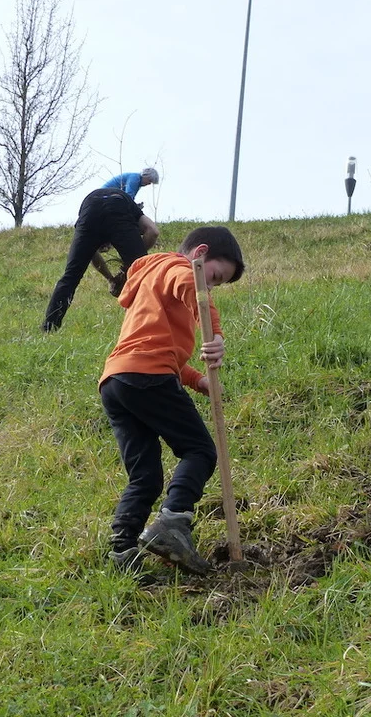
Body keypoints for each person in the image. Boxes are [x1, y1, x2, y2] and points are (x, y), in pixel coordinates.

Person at [100, 226, 245, 575]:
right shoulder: (177, 268)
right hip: (147, 376)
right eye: (215, 277)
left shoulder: (150, 280)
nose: (211, 287)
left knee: (145, 475)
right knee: (200, 450)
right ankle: (173, 521)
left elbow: (156, 349)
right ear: (200, 254)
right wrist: (216, 335)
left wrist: (196, 380)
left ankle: (123, 550)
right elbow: (193, 288)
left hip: (117, 381)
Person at [42, 188, 160, 331]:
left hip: (90, 208)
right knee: (142, 275)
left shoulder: (90, 223)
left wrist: (111, 278)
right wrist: (133, 263)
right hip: (118, 205)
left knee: (70, 277)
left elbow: (90, 253)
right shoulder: (131, 209)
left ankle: (49, 327)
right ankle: (147, 327)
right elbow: (153, 231)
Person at [91, 167, 161, 295]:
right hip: (110, 205)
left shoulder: (135, 180)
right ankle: (130, 257)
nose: (148, 184)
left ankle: (125, 258)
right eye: (149, 181)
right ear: (145, 175)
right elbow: (128, 197)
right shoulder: (135, 178)